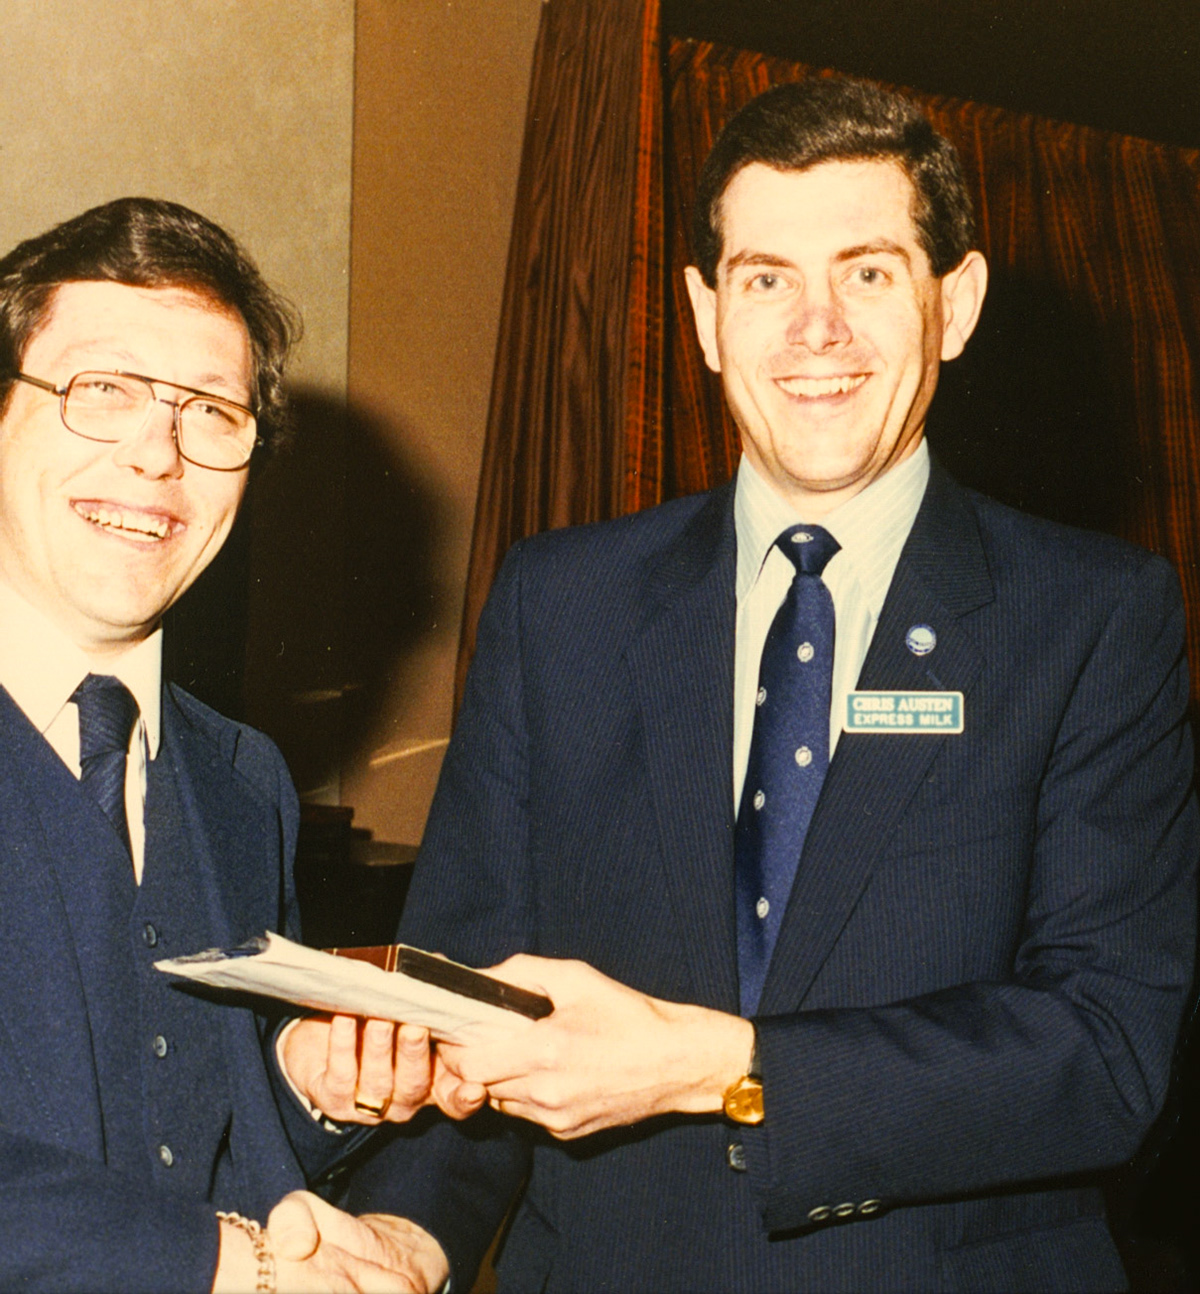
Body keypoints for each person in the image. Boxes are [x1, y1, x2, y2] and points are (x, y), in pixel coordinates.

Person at [341, 77, 1198, 1292]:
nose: (815, 329)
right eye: (764, 279)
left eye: (866, 272)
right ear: (702, 315)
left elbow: (1110, 1056)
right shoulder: (561, 603)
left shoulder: (1093, 617)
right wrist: (406, 1237)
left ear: (955, 303)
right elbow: (473, 1012)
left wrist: (721, 1064)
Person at [0, 197, 445, 1293]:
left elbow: (222, 1147)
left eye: (211, 410)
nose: (158, 455)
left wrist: (308, 1087)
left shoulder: (243, 780)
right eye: (99, 392)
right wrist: (224, 1262)